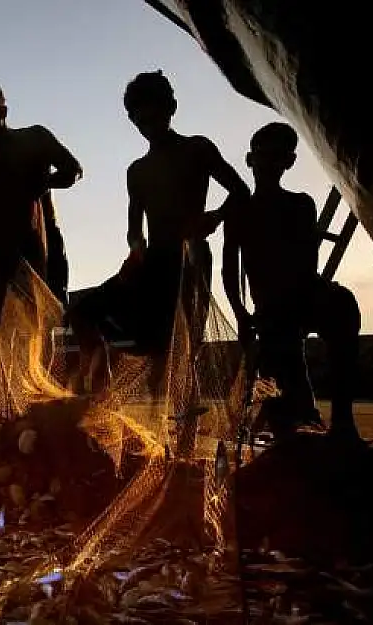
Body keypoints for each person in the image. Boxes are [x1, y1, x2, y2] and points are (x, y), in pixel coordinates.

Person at [67, 71, 250, 437]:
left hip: (190, 261)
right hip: (152, 264)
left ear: (171, 109)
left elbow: (240, 191)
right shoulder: (137, 171)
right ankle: (98, 395)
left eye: (152, 117)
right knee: (82, 312)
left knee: (181, 350)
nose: (146, 126)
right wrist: (136, 250)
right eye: (139, 121)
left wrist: (213, 217)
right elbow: (134, 228)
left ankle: (181, 441)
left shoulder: (197, 149)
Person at [223, 122, 362, 442]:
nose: (270, 163)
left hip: (300, 298)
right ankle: (293, 408)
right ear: (250, 158)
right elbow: (229, 270)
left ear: (289, 162)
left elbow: (306, 267)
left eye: (279, 156)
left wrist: (298, 299)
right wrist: (241, 315)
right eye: (263, 155)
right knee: (288, 420)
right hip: (270, 311)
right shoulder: (240, 210)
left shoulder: (300, 203)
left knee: (342, 303)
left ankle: (343, 422)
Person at [0, 82, 83, 337]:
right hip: (1, 253)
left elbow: (73, 170)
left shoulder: (35, 138)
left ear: (2, 113)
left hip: (42, 245)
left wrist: (43, 184)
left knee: (48, 321)